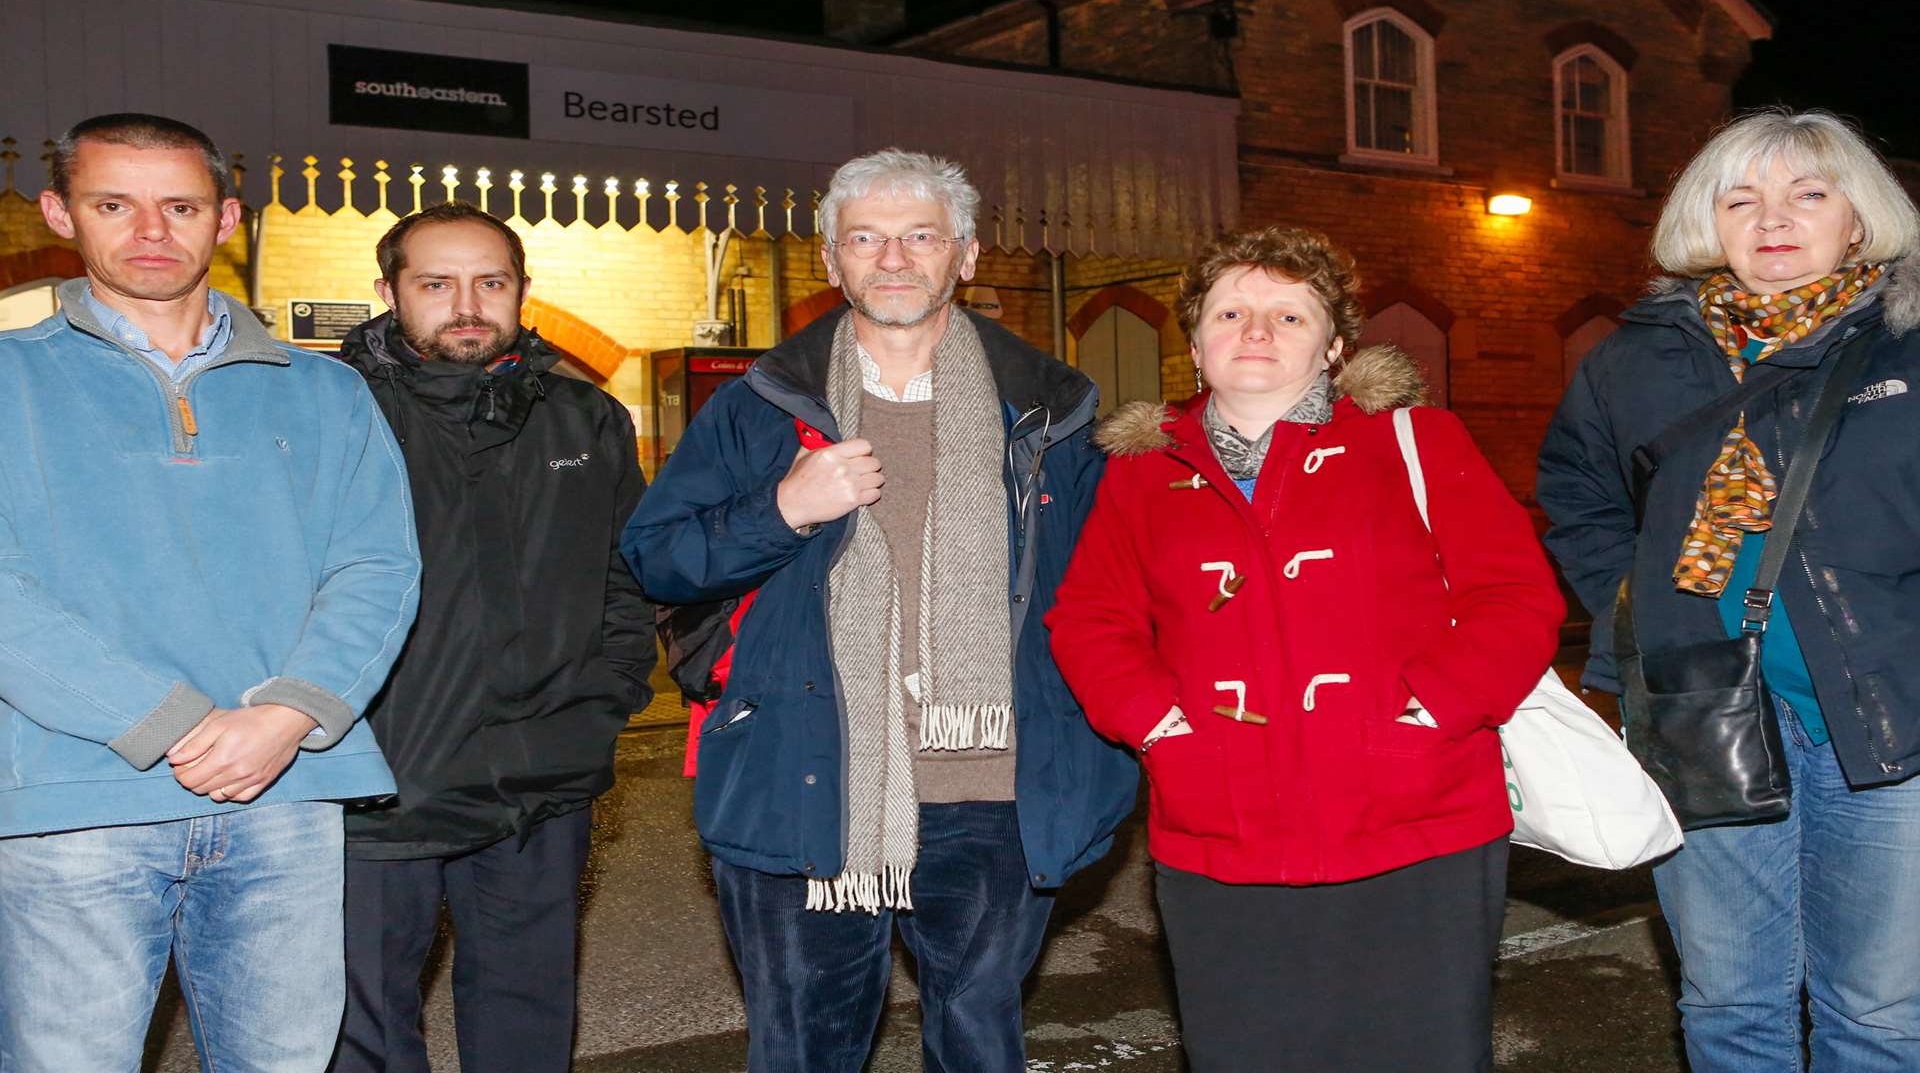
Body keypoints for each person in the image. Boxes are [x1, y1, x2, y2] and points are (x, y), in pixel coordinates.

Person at [621, 148, 1137, 1072]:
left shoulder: (1053, 414)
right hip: (806, 777)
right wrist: (781, 509)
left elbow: (1113, 592)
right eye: (865, 238)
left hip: (993, 790)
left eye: (919, 237)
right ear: (831, 260)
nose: (892, 259)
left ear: (967, 255)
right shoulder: (760, 408)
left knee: (979, 1044)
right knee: (804, 1049)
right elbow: (657, 556)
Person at [1047, 226, 1563, 1073]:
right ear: (1195, 338)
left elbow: (1514, 595)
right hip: (1224, 828)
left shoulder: (1414, 441)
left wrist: (1433, 708)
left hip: (1416, 817)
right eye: (1231, 312)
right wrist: (1162, 725)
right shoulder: (1141, 473)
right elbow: (1090, 619)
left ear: (1333, 345)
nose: (1256, 331)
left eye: (1289, 316)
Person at [0, 113, 420, 1071]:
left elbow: (378, 567)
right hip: (77, 800)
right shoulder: (9, 381)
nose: (152, 230)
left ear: (226, 218)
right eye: (115, 204)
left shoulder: (326, 394)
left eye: (180, 206)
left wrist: (287, 717)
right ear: (62, 212)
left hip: (287, 788)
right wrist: (168, 722)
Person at [1539, 109, 1920, 1072]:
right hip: (1695, 709)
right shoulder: (1635, 359)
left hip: (1890, 718)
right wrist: (1635, 612)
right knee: (1730, 1004)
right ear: (1707, 222)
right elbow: (1579, 495)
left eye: (1808, 194)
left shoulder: (1906, 351)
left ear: (1860, 220)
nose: (1773, 219)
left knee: (1878, 1011)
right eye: (1740, 199)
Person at [326, 201, 656, 1073]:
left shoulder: (586, 419)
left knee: (528, 1014)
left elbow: (628, 580)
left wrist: (602, 702)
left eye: (490, 282)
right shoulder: (331, 410)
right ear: (389, 292)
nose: (466, 303)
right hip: (375, 786)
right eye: (436, 283)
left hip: (538, 782)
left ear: (521, 292)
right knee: (360, 1026)